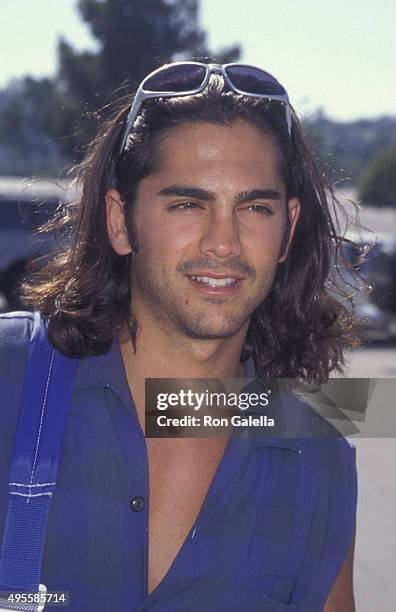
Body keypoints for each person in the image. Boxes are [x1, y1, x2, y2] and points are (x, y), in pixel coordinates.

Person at [0, 62, 359, 611]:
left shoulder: (320, 456)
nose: (223, 243)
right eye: (188, 204)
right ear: (121, 222)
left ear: (287, 230)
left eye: (254, 207)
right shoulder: (13, 375)